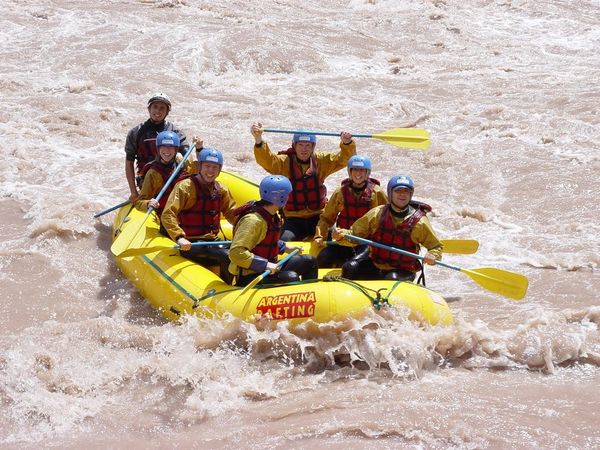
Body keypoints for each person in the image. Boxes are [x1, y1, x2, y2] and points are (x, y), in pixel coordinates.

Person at [251, 123, 356, 241]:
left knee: (336, 239)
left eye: (307, 145)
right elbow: (267, 160)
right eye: (300, 145)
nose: (304, 149)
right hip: (294, 219)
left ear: (313, 147)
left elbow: (344, 159)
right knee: (284, 240)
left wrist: (347, 143)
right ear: (294, 146)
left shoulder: (321, 161)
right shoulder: (284, 162)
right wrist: (258, 140)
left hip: (318, 217)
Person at [332, 175, 443, 282]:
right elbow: (354, 234)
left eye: (406, 191)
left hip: (403, 270)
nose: (402, 195)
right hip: (376, 264)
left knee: (391, 278)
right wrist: (341, 235)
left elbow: (435, 246)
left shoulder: (419, 222)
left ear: (411, 194)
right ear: (390, 193)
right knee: (350, 267)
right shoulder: (377, 213)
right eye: (398, 191)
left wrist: (432, 256)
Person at [228, 175, 318, 287]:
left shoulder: (272, 215)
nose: (289, 198)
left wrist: (285, 247)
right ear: (279, 197)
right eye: (287, 195)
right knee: (291, 277)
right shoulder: (253, 221)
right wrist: (264, 265)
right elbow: (236, 252)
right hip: (250, 275)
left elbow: (265, 240)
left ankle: (311, 297)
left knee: (309, 261)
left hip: (270, 267)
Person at [161, 148, 235, 284]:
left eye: (214, 167)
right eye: (207, 166)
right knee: (226, 256)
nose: (210, 171)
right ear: (200, 166)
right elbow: (168, 214)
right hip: (190, 243)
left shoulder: (221, 189)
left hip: (212, 241)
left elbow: (233, 214)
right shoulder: (185, 187)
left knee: (240, 252)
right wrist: (179, 237)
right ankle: (228, 290)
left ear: (219, 170)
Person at [313, 155, 388, 268]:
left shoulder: (377, 193)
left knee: (352, 266)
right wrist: (319, 236)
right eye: (355, 170)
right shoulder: (340, 192)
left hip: (366, 243)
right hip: (343, 240)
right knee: (323, 258)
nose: (358, 173)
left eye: (362, 170)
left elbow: (387, 219)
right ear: (350, 171)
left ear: (367, 173)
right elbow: (326, 219)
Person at [124, 92, 188, 203]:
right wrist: (133, 192)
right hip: (147, 182)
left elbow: (187, 156)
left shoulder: (175, 132)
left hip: (171, 178)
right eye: (155, 107)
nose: (158, 111)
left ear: (167, 112)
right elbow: (129, 162)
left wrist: (182, 155)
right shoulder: (136, 132)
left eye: (162, 108)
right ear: (149, 109)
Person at [133, 131, 198, 215]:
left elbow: (199, 174)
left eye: (171, 147)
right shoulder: (153, 173)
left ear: (176, 150)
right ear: (158, 149)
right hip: (165, 214)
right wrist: (148, 203)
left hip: (183, 211)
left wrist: (199, 148)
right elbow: (139, 202)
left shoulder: (182, 165)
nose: (167, 150)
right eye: (163, 147)